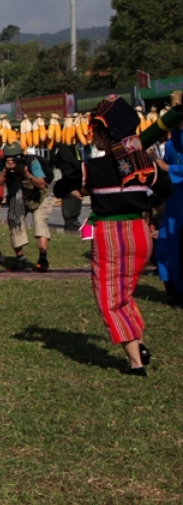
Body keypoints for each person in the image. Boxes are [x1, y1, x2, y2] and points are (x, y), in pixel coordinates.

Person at [74, 96, 172, 376]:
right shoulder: (145, 165)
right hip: (140, 233)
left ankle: (135, 363)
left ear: (106, 134)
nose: (92, 136)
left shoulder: (93, 168)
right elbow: (166, 191)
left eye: (95, 131)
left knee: (110, 297)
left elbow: (65, 186)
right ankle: (137, 344)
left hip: (111, 235)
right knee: (126, 293)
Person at [0, 143, 52, 272]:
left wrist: (25, 173)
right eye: (9, 158)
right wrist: (5, 170)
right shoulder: (1, 164)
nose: (12, 161)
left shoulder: (31, 161)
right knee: (14, 223)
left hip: (38, 198)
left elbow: (41, 184)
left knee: (40, 223)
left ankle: (43, 259)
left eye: (15, 158)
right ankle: (20, 260)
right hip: (17, 199)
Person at [156, 114, 183, 307]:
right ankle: (172, 291)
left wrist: (167, 168)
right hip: (173, 201)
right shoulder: (172, 141)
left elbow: (167, 166)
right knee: (166, 246)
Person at [51, 135, 84, 232]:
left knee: (77, 196)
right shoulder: (65, 146)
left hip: (75, 176)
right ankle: (70, 221)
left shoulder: (73, 145)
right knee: (71, 196)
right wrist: (79, 167)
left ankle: (74, 219)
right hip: (70, 176)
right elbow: (69, 161)